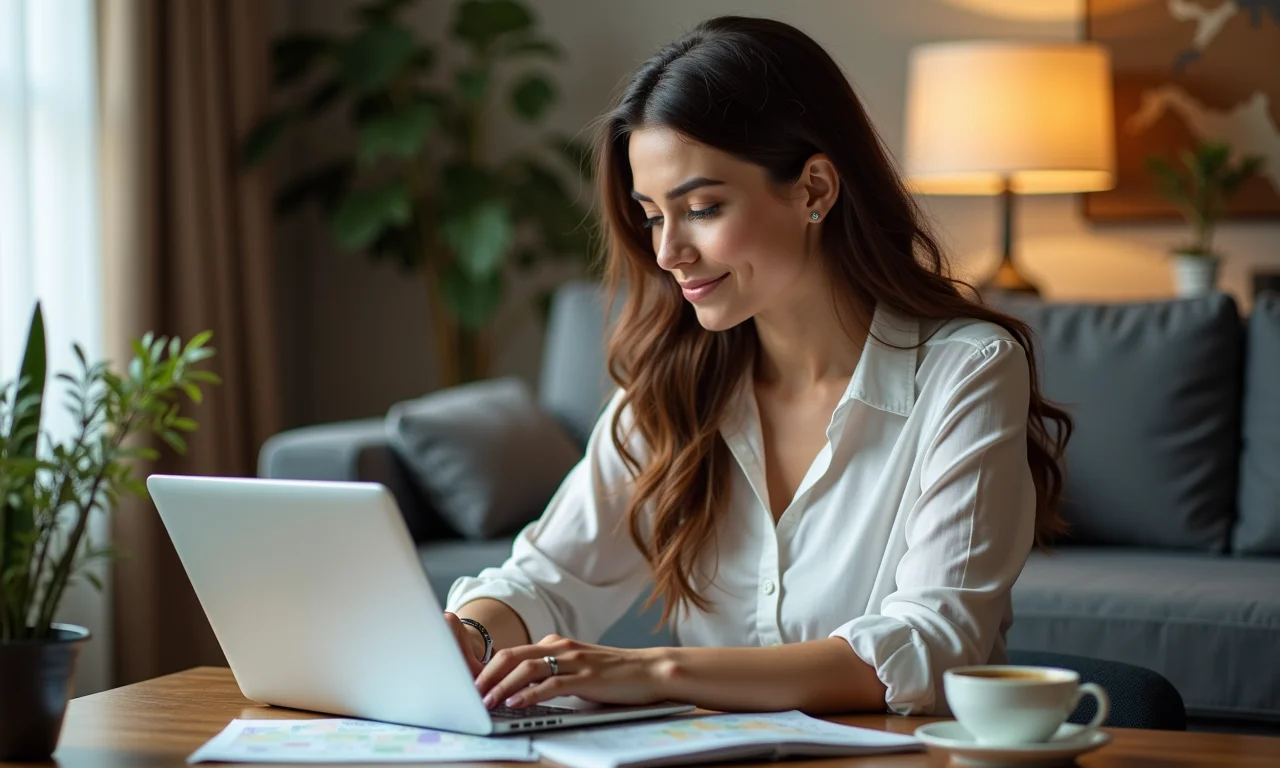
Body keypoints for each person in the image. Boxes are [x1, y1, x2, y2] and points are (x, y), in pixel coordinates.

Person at [441, 15, 1071, 717]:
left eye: (702, 208)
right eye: (652, 215)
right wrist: (468, 634)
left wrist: (656, 672)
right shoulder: (671, 387)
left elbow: (931, 646)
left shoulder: (967, 372)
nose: (667, 251)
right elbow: (548, 579)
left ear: (815, 190)